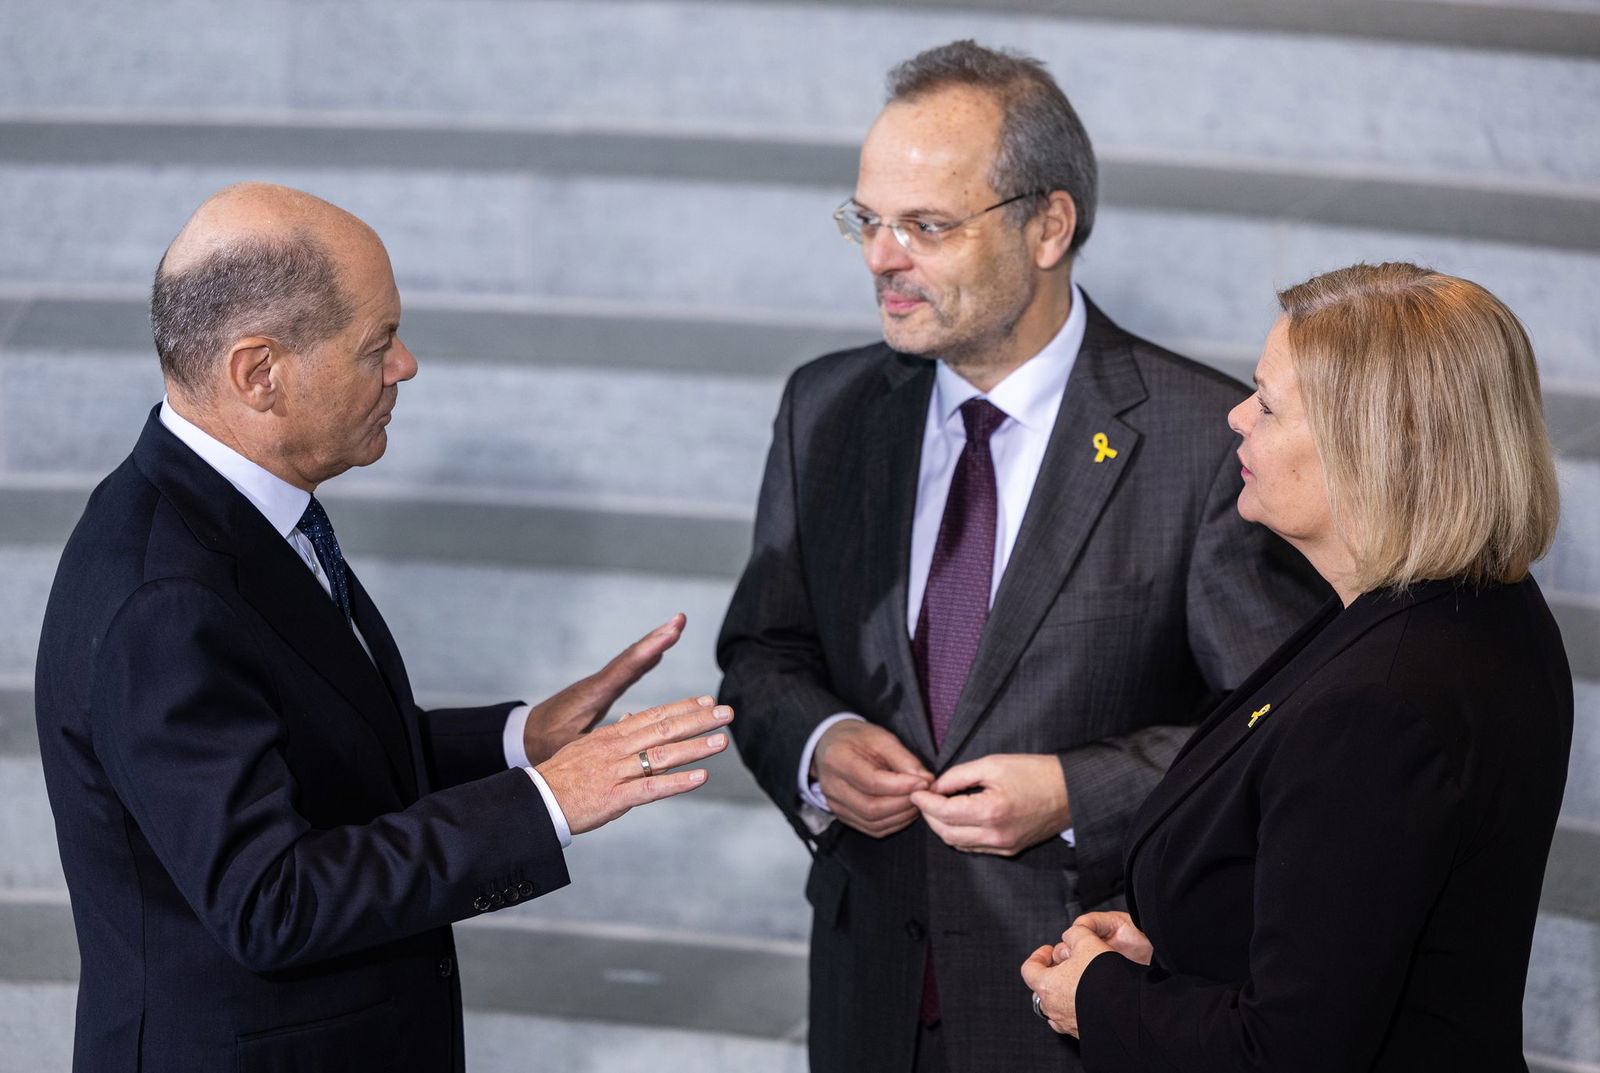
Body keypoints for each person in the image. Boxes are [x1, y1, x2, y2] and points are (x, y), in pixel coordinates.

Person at [716, 40, 1328, 1073]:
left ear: (1048, 225)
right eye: (867, 220)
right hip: (867, 995)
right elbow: (763, 650)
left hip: (1085, 1003)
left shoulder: (1199, 438)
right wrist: (818, 742)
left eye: (926, 226)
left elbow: (1277, 731)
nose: (880, 256)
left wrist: (1076, 791)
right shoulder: (824, 408)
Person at [33, 182, 733, 1072]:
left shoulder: (234, 513)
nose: (405, 366)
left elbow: (312, 760)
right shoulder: (165, 597)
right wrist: (551, 799)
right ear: (261, 373)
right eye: (378, 343)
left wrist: (521, 740)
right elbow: (272, 900)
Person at [1022, 262, 1573, 1072]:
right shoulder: (1476, 606)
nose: (1235, 416)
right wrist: (1176, 952)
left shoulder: (1381, 704)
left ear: (1374, 447)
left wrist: (1100, 999)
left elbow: (1286, 1051)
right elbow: (1353, 934)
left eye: (1269, 405)